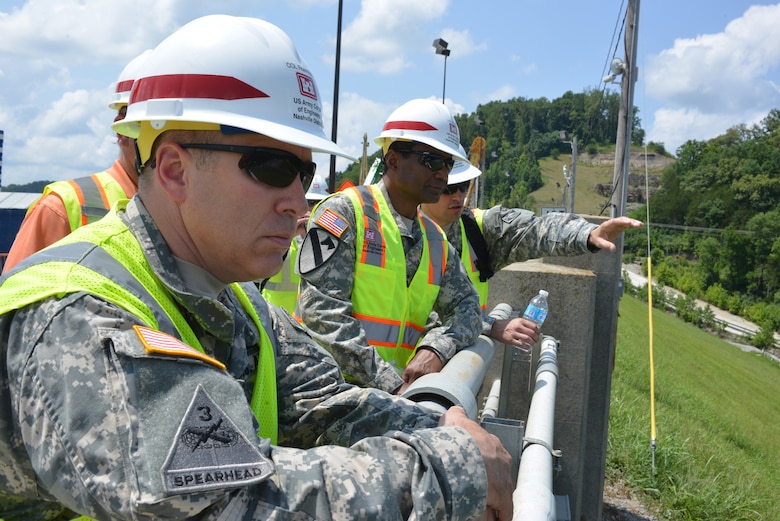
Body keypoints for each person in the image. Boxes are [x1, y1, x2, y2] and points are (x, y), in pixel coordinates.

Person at [0, 15, 513, 521]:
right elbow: (223, 500)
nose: (298, 201)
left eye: (305, 172)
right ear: (176, 170)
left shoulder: (240, 303)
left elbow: (330, 405)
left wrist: (445, 424)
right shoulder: (78, 311)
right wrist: (453, 468)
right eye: (273, 168)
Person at [295, 98, 488, 395]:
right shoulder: (342, 214)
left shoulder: (435, 240)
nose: (443, 174)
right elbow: (324, 316)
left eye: (448, 163)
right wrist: (392, 385)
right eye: (432, 160)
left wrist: (436, 348)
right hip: (322, 393)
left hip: (388, 401)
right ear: (394, 160)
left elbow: (468, 307)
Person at [420, 160, 644, 348]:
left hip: (459, 369)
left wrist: (587, 234)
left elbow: (536, 230)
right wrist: (488, 325)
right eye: (449, 187)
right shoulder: (401, 235)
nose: (458, 196)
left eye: (464, 186)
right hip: (400, 377)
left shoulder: (476, 228)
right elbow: (415, 316)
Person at [1, 49, 151, 274]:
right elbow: (14, 302)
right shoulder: (61, 208)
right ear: (122, 130)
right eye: (157, 128)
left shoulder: (193, 214)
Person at [261, 173, 329, 313]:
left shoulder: (328, 241)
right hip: (276, 321)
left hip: (311, 327)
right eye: (309, 202)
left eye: (318, 204)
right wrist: (289, 235)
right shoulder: (279, 238)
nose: (310, 210)